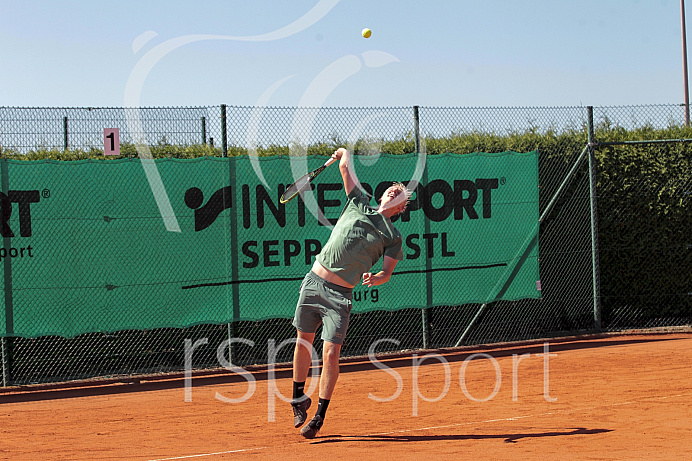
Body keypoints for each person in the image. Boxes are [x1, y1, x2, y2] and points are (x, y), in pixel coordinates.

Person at [290, 147, 411, 439]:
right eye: (392, 189)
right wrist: (344, 151)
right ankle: (298, 399)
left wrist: (376, 276)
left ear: (402, 207)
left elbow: (386, 274)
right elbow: (345, 167)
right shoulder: (358, 202)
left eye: (401, 193)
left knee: (330, 352)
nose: (395, 192)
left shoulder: (393, 238)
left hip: (339, 296)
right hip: (313, 282)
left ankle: (319, 416)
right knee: (303, 342)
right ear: (383, 196)